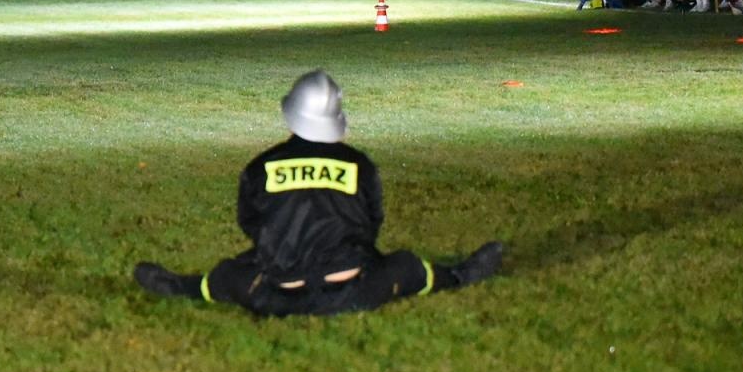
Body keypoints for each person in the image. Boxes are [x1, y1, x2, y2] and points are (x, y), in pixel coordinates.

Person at [132, 71, 504, 316]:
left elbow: (250, 223)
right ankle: (457, 276)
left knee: (230, 273)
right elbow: (371, 223)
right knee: (407, 266)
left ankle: (182, 287)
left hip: (277, 292)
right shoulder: (359, 165)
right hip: (354, 291)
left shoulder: (260, 167)